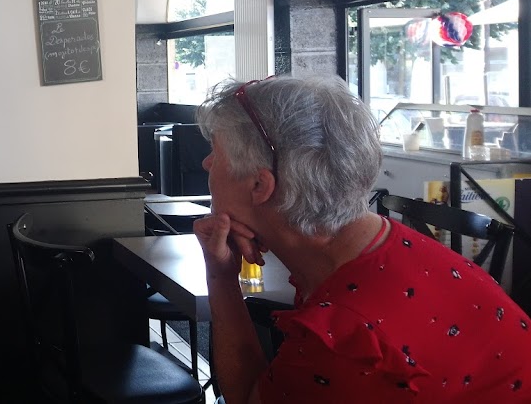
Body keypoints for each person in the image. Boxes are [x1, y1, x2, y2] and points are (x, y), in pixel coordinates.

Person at [191, 75, 530, 404]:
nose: (206, 162)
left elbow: (247, 398)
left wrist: (221, 276)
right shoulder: (387, 243)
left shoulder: (346, 338)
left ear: (259, 186)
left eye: (215, 152)